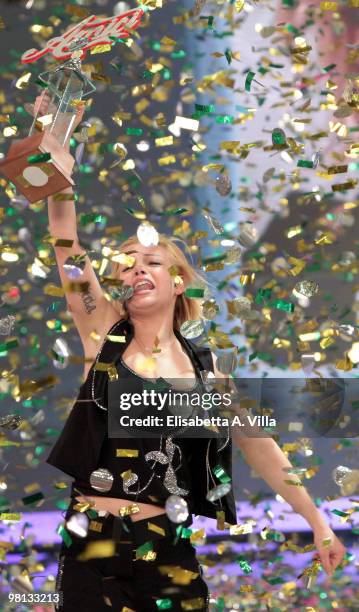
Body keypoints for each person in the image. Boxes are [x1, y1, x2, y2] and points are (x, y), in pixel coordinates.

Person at [33, 93, 346, 611]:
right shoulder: (102, 331)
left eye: (150, 261)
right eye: (127, 263)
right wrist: (55, 134)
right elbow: (66, 240)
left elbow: (260, 447)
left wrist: (317, 521)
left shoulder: (208, 374)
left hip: (169, 549)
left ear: (178, 282)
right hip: (94, 543)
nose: (136, 269)